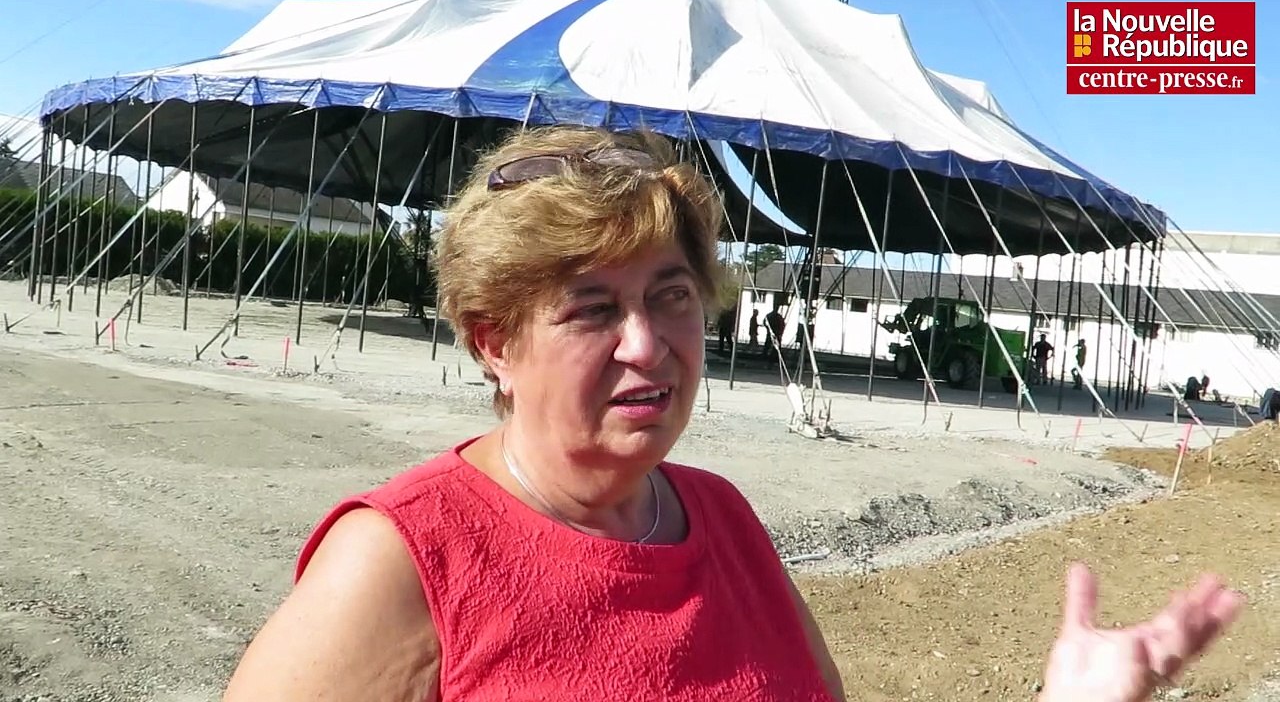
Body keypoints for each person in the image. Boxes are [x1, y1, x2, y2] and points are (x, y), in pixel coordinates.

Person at [222, 126, 1243, 702]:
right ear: (493, 339)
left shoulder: (723, 523)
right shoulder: (406, 561)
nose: (645, 342)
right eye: (590, 307)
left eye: (668, 293)